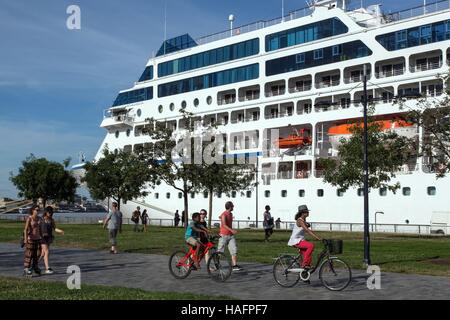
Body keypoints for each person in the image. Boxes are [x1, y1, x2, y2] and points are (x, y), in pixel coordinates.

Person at [218, 201, 242, 271]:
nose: (233, 207)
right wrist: (232, 230)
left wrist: (231, 232)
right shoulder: (224, 214)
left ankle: (234, 265)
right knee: (220, 251)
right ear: (230, 207)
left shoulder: (230, 214)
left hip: (230, 236)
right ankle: (217, 264)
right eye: (232, 206)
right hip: (223, 235)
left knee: (234, 249)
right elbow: (224, 224)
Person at [40, 206, 64, 274]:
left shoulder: (52, 220)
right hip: (42, 238)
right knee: (47, 251)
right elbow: (37, 228)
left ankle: (33, 265)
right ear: (46, 212)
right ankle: (47, 268)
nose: (50, 213)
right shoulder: (41, 219)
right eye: (49, 212)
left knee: (42, 253)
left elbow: (55, 228)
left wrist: (61, 231)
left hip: (49, 238)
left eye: (51, 212)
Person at [23, 205, 43, 276]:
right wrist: (25, 239)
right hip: (30, 239)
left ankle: (35, 266)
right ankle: (26, 268)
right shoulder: (29, 218)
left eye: (38, 210)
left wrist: (42, 237)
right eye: (36, 210)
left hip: (38, 238)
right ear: (32, 210)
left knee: (37, 254)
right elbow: (25, 229)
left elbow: (40, 229)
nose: (38, 211)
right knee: (29, 254)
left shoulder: (40, 218)